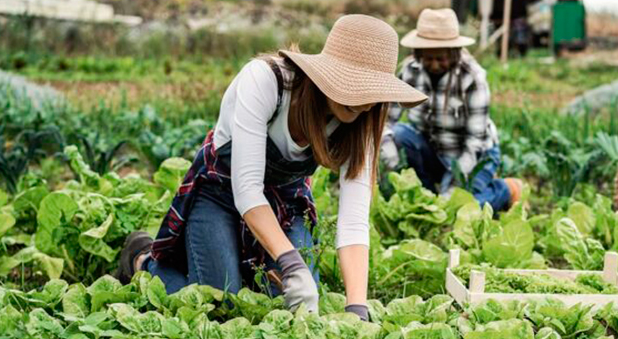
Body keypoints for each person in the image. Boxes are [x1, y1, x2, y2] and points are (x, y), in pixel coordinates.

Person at [115, 14, 427, 321]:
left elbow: (354, 220)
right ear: (328, 72)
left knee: (296, 306)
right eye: (353, 84)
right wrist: (290, 261)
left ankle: (242, 266)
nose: (363, 102)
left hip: (285, 203)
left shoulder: (363, 122)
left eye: (372, 90)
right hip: (220, 195)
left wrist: (357, 307)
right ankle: (142, 259)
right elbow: (247, 189)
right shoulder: (267, 81)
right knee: (219, 303)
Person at [381, 8, 522, 212]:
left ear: (454, 53)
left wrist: (451, 189)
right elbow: (387, 120)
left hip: (475, 156)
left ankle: (506, 190)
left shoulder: (472, 78)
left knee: (454, 210)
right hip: (434, 150)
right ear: (418, 53)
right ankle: (429, 197)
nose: (435, 64)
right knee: (402, 134)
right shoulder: (409, 71)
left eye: (441, 58)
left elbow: (474, 143)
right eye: (428, 58)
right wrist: (389, 151)